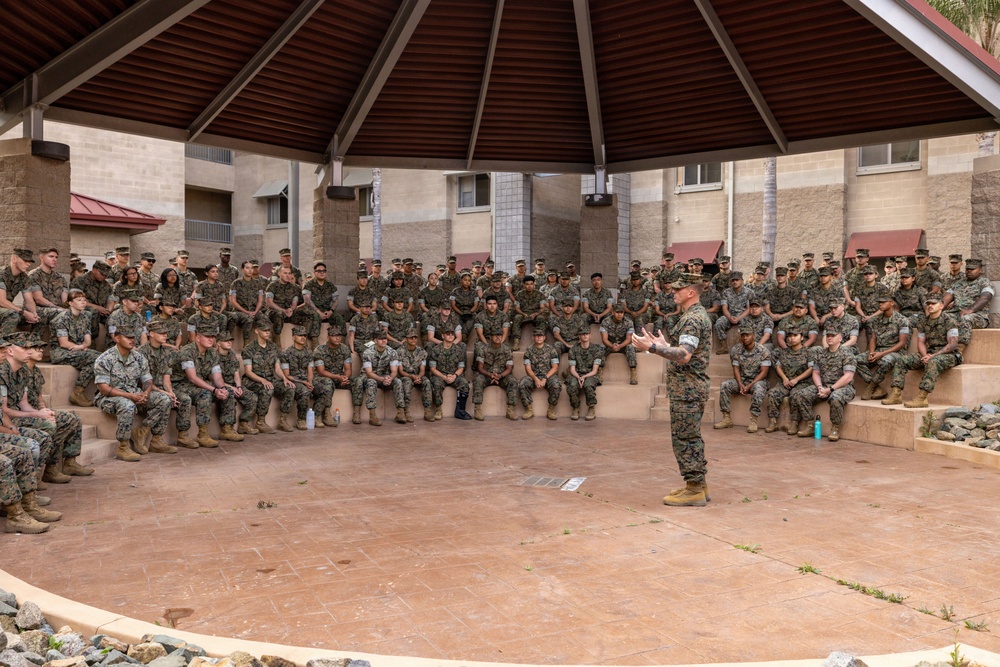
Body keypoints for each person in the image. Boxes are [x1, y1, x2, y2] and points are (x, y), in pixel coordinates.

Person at [633, 273, 712, 506]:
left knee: (685, 439)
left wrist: (654, 347)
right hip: (689, 388)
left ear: (691, 292)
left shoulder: (692, 319)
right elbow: (687, 351)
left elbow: (685, 355)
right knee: (690, 437)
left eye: (678, 289)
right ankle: (698, 484)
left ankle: (695, 489)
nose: (673, 292)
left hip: (688, 390)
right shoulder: (693, 316)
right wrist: (667, 346)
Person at [2, 332, 89, 481]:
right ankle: (38, 476)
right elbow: (4, 411)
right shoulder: (3, 372)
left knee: (70, 419)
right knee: (48, 426)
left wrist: (42, 412)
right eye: (26, 347)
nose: (31, 351)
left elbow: (24, 403)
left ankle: (59, 466)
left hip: (19, 415)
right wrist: (37, 415)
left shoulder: (22, 371)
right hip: (8, 419)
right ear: (11, 351)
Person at [94, 325, 173, 462]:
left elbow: (147, 380)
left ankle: (153, 438)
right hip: (110, 397)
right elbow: (104, 389)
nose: (132, 340)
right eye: (128, 337)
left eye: (133, 337)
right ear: (117, 338)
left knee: (164, 399)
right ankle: (123, 447)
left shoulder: (138, 357)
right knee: (127, 405)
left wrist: (145, 393)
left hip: (134, 393)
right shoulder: (105, 359)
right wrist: (130, 396)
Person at [882, 293, 961, 408]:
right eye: (928, 304)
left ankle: (922, 398)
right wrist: (925, 355)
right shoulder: (923, 321)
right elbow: (921, 342)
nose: (930, 306)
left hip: (949, 354)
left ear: (941, 306)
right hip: (929, 353)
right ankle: (896, 394)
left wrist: (932, 356)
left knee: (933, 362)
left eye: (933, 303)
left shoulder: (949, 320)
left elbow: (952, 344)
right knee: (902, 360)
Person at [171, 322, 244, 446]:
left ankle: (226, 429)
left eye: (213, 337)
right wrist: (214, 390)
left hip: (200, 383)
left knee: (228, 391)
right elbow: (192, 378)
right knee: (205, 394)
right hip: (181, 385)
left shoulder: (212, 353)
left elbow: (217, 376)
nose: (211, 339)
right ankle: (202, 434)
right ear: (198, 338)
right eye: (207, 337)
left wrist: (221, 388)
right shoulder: (187, 352)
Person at [793, 330, 856, 442]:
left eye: (833, 336)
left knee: (835, 398)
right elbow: (816, 373)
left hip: (843, 387)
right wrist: (819, 387)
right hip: (824, 386)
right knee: (801, 395)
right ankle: (810, 425)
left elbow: (848, 377)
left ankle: (835, 428)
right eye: (828, 336)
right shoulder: (821, 353)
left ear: (840, 338)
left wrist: (831, 389)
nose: (829, 338)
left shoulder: (847, 353)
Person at [133, 319, 181, 454]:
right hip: (142, 391)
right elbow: (145, 382)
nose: (165, 335)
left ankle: (156, 440)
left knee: (172, 398)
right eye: (161, 333)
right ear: (152, 334)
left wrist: (170, 392)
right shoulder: (141, 353)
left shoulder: (166, 353)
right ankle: (142, 431)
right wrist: (164, 394)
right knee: (164, 399)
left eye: (166, 333)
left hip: (158, 390)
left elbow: (167, 379)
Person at [714, 324, 771, 433]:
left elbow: (764, 372)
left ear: (753, 336)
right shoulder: (736, 349)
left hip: (758, 381)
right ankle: (726, 418)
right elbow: (736, 369)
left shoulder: (763, 351)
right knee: (725, 385)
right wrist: (740, 384)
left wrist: (749, 386)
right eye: (743, 335)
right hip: (742, 380)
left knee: (758, 389)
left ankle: (753, 420)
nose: (745, 337)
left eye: (748, 335)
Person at [242, 319, 296, 433]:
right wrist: (262, 380)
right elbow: (248, 372)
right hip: (252, 380)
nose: (268, 332)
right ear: (257, 331)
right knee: (267, 389)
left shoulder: (273, 347)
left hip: (270, 378)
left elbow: (277, 367)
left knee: (290, 388)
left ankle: (283, 420)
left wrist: (284, 378)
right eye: (264, 330)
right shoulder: (248, 349)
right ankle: (260, 422)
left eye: (268, 330)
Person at [50, 288, 99, 407]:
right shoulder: (62, 318)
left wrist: (82, 346)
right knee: (93, 359)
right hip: (61, 351)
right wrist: (79, 347)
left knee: (103, 357)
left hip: (78, 348)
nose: (83, 302)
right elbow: (63, 343)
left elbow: (88, 340)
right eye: (79, 300)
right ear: (71, 303)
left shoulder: (86, 316)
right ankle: (78, 391)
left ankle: (101, 391)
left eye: (84, 300)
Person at [855, 294, 910, 400]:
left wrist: (882, 354)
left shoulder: (902, 320)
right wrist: (871, 352)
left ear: (891, 303)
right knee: (856, 359)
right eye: (879, 302)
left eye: (883, 302)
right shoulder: (876, 320)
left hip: (896, 352)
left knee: (885, 361)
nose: (880, 304)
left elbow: (902, 343)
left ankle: (872, 386)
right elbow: (873, 339)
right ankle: (879, 389)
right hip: (878, 350)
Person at [764, 328, 813, 434]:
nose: (792, 338)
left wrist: (796, 379)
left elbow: (810, 370)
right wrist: (785, 378)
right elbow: (778, 366)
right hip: (786, 382)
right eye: (790, 336)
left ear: (802, 337)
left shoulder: (808, 352)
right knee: (773, 393)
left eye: (795, 336)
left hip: (802, 382)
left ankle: (794, 423)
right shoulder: (784, 352)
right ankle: (773, 422)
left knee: (795, 395)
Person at [357, 329, 404, 426]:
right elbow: (369, 373)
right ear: (375, 340)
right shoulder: (367, 353)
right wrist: (382, 379)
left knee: (398, 381)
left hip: (385, 376)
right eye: (381, 339)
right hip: (370, 376)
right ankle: (372, 415)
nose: (384, 341)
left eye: (385, 338)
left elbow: (394, 371)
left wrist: (390, 378)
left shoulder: (392, 352)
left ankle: (400, 412)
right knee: (371, 382)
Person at [215, 328, 258, 435]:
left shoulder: (232, 354)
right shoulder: (213, 356)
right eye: (226, 341)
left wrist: (238, 386)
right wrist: (232, 388)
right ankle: (227, 428)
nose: (229, 342)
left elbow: (236, 374)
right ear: (218, 343)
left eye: (230, 340)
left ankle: (244, 423)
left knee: (252, 397)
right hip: (219, 385)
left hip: (233, 384)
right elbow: (214, 379)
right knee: (229, 394)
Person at [427, 329, 472, 420]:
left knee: (464, 384)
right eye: (448, 334)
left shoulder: (458, 350)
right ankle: (438, 410)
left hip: (453, 375)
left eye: (452, 334)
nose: (451, 336)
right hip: (440, 375)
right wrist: (444, 377)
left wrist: (454, 376)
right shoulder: (435, 350)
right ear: (443, 336)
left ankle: (460, 410)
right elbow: (432, 369)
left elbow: (461, 368)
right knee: (436, 384)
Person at [472, 330, 517, 421]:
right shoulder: (483, 349)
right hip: (487, 375)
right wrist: (490, 375)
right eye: (495, 335)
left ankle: (510, 410)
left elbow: (509, 368)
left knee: (512, 381)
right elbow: (480, 367)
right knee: (478, 380)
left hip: (502, 375)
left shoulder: (507, 349)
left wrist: (500, 376)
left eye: (500, 335)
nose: (498, 337)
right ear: (490, 337)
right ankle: (477, 409)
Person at [265, 265, 320, 337]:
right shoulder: (272, 286)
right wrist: (284, 310)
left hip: (289, 313)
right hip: (275, 312)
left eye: (289, 273)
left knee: (309, 313)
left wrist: (291, 309)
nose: (288, 275)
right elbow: (269, 303)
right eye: (285, 273)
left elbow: (294, 303)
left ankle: (303, 336)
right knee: (279, 313)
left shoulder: (294, 288)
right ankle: (277, 340)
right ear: (279, 274)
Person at [520, 327, 561, 420]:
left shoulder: (551, 350)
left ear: (544, 337)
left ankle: (551, 409)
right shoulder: (528, 350)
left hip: (548, 375)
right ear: (533, 338)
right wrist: (535, 379)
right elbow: (528, 368)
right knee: (523, 384)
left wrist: (545, 378)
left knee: (556, 385)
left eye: (541, 336)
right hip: (533, 376)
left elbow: (555, 367)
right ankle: (529, 409)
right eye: (536, 336)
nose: (539, 338)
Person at [283, 325, 319, 430]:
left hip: (306, 380)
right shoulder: (286, 353)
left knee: (326, 385)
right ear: (293, 337)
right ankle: (301, 419)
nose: (303, 337)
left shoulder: (309, 352)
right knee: (305, 391)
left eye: (304, 335)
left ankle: (318, 416)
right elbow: (287, 375)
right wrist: (304, 383)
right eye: (300, 335)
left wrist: (310, 382)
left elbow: (310, 370)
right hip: (295, 380)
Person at [944, 258, 993, 333]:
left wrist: (970, 310)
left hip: (977, 315)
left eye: (972, 269)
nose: (969, 271)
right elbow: (947, 297)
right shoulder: (958, 283)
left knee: (964, 318)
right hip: (957, 313)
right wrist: (939, 308)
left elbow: (985, 298)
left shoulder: (984, 282)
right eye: (967, 269)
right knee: (940, 317)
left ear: (980, 270)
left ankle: (961, 344)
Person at [565, 329, 602, 421]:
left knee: (588, 384)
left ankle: (591, 408)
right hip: (576, 373)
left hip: (591, 374)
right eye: (582, 334)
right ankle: (575, 408)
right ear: (579, 336)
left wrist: (584, 377)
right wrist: (578, 377)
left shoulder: (596, 349)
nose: (585, 336)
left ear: (590, 336)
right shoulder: (573, 349)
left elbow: (595, 370)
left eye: (587, 334)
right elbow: (572, 369)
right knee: (572, 385)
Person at [27, 247, 68, 329]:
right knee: (61, 313)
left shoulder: (60, 277)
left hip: (56, 308)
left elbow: (65, 300)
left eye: (56, 257)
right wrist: (58, 308)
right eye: (51, 256)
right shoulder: (34, 275)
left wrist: (73, 307)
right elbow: (39, 299)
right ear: (41, 258)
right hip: (37, 308)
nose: (55, 259)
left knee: (83, 313)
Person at [396, 327, 431, 422]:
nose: (414, 339)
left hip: (417, 376)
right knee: (407, 382)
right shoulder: (399, 351)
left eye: (415, 337)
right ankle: (406, 412)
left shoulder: (422, 352)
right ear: (406, 339)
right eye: (411, 338)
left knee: (427, 382)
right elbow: (400, 371)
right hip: (405, 376)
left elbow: (422, 370)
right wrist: (411, 376)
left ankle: (427, 411)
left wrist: (419, 376)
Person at [302, 261, 342, 345]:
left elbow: (336, 300)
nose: (322, 273)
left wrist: (331, 311)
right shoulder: (309, 285)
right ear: (314, 272)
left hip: (327, 311)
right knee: (316, 316)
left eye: (324, 271)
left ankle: (342, 342)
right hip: (313, 311)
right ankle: (315, 343)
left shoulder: (330, 286)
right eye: (319, 271)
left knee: (339, 318)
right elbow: (307, 301)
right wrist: (319, 312)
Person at [228, 260, 265, 344]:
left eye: (251, 268)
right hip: (240, 311)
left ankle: (265, 345)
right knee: (248, 320)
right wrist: (246, 312)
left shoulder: (258, 283)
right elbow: (233, 301)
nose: (250, 270)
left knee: (265, 319)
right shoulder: (236, 283)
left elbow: (260, 300)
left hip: (254, 310)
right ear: (242, 269)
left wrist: (256, 311)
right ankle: (246, 345)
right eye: (247, 268)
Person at [601, 303, 638, 384]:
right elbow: (604, 339)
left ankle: (633, 373)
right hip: (610, 344)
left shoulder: (628, 322)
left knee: (630, 347)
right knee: (601, 348)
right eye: (617, 312)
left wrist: (620, 346)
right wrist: (612, 346)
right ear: (613, 312)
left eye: (621, 312)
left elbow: (629, 339)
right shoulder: (605, 322)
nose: (619, 315)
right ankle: (599, 373)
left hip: (623, 345)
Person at [715, 271, 752, 352]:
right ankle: (724, 346)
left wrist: (739, 318)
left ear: (742, 281)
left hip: (743, 315)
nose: (734, 282)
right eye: (733, 280)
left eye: (737, 280)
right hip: (730, 315)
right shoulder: (726, 292)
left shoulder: (749, 292)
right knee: (719, 323)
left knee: (747, 324)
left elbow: (749, 309)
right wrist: (729, 317)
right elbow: (724, 308)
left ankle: (743, 346)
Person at [510, 275, 547, 349]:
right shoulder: (520, 294)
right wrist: (523, 314)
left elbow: (542, 308)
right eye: (527, 284)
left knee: (541, 319)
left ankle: (539, 341)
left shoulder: (540, 294)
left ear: (534, 284)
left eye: (531, 284)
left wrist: (535, 314)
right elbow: (517, 308)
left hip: (535, 314)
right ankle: (516, 342)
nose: (529, 286)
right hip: (523, 313)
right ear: (524, 285)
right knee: (517, 318)